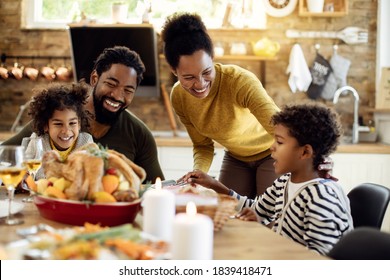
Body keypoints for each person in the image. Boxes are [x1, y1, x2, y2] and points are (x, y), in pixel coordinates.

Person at [184, 102, 353, 255]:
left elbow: (318, 258)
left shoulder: (320, 197)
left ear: (305, 152)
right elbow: (257, 209)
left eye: (279, 142)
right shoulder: (284, 181)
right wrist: (214, 185)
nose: (272, 147)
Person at [2, 46, 164, 183]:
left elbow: (158, 186)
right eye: (110, 84)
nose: (117, 96)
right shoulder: (60, 117)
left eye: (128, 90)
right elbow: (5, 156)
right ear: (94, 78)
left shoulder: (139, 134)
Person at [161, 12, 280, 198]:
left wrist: (314, 159)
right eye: (189, 77)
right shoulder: (179, 97)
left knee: (269, 215)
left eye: (206, 72)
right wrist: (197, 173)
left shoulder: (238, 82)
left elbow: (281, 128)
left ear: (212, 57)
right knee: (227, 211)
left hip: (272, 152)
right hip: (236, 158)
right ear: (173, 70)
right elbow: (202, 145)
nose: (200, 84)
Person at [24, 82, 93, 179]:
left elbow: (92, 172)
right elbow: (24, 169)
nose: (66, 131)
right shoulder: (38, 141)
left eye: (72, 123)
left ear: (79, 124)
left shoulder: (86, 142)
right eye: (58, 124)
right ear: (45, 125)